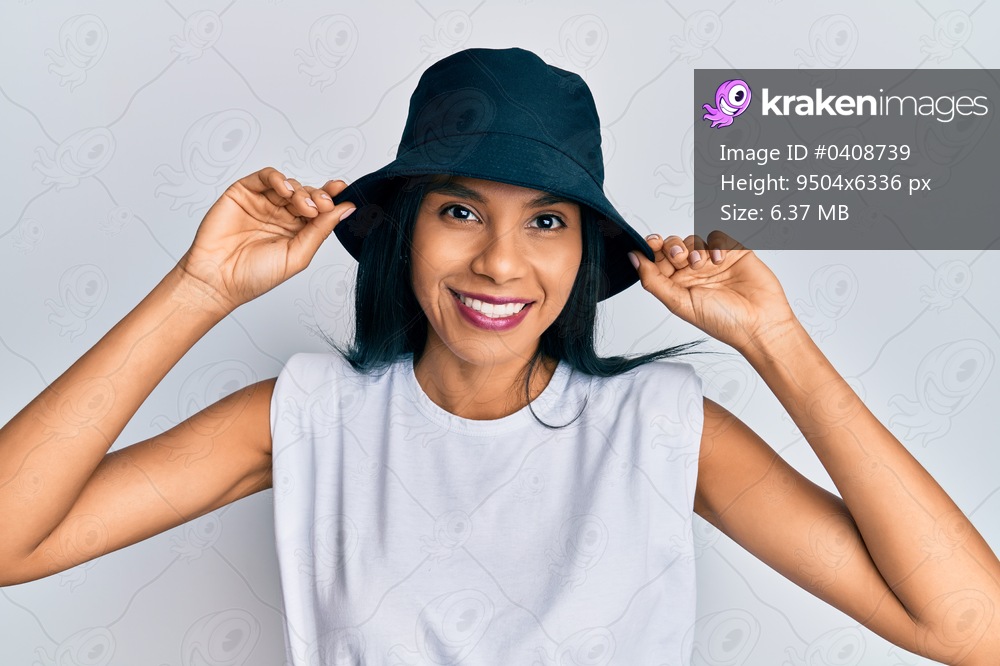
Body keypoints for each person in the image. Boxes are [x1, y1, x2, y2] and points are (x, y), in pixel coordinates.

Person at [1, 46, 997, 665]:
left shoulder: (659, 428)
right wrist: (201, 289)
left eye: (549, 220)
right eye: (461, 210)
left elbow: (972, 628)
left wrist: (778, 343)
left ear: (584, 251)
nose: (501, 261)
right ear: (405, 230)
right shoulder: (307, 416)